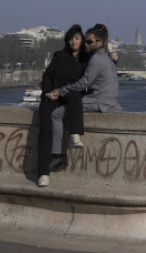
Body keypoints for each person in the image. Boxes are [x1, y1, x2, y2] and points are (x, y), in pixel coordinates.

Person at [36, 24, 88, 187]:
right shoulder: (59, 56)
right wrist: (47, 93)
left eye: (77, 38)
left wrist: (114, 58)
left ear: (82, 40)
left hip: (70, 96)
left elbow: (102, 64)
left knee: (74, 96)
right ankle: (43, 173)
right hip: (53, 96)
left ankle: (75, 134)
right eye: (71, 38)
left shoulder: (86, 60)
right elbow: (47, 76)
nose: (74, 41)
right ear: (67, 40)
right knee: (45, 127)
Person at [46, 22, 120, 128]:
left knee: (57, 114)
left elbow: (84, 83)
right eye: (85, 41)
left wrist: (61, 90)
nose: (85, 44)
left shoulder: (96, 58)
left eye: (89, 42)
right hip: (107, 101)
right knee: (73, 101)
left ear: (99, 42)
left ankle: (72, 139)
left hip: (99, 101)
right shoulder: (104, 56)